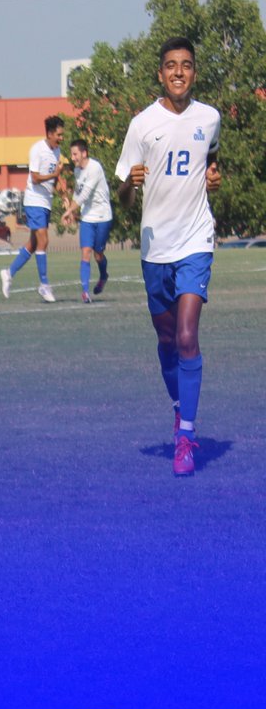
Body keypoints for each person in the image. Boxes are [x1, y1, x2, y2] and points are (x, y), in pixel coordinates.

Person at [115, 37, 221, 477]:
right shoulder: (142, 124)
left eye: (187, 65)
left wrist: (214, 178)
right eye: (171, 66)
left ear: (194, 72)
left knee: (186, 337)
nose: (179, 72)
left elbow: (211, 161)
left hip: (196, 239)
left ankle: (186, 437)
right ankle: (180, 407)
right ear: (160, 73)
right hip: (155, 248)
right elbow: (122, 193)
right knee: (165, 340)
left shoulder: (210, 118)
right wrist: (130, 184)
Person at [1, 115, 67, 302]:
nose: (61, 138)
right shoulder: (37, 149)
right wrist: (55, 174)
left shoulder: (57, 151)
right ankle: (44, 285)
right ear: (50, 133)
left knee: (33, 244)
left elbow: (53, 179)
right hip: (34, 200)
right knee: (43, 240)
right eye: (59, 135)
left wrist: (62, 194)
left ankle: (8, 273)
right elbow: (36, 178)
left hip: (45, 201)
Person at [62, 139, 113, 303]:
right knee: (85, 253)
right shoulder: (78, 171)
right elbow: (78, 194)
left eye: (75, 154)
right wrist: (71, 211)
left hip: (103, 216)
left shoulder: (95, 168)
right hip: (87, 218)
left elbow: (86, 194)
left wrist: (69, 210)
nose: (73, 157)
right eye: (72, 154)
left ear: (84, 153)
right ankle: (85, 292)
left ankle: (103, 275)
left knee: (98, 255)